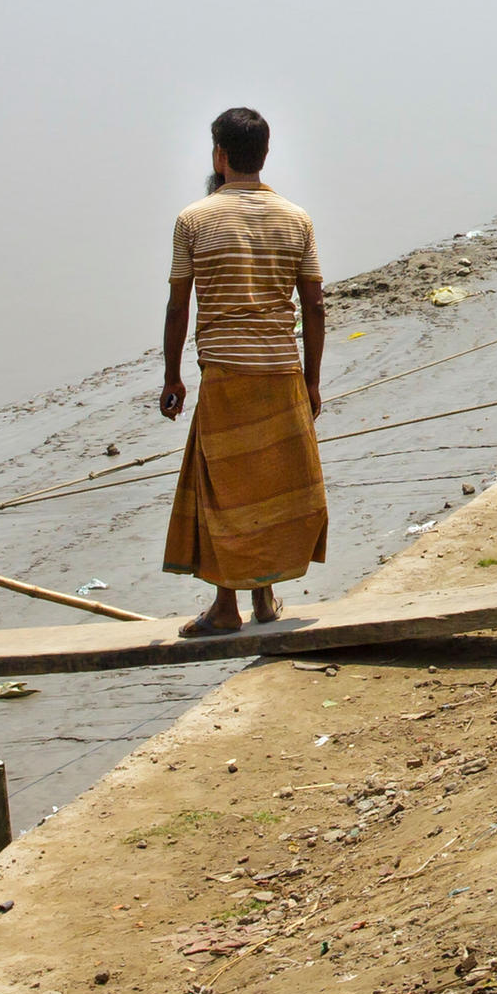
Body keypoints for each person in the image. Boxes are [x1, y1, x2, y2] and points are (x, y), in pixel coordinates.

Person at [160, 106, 327, 630]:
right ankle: (263, 599)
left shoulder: (194, 220)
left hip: (226, 373)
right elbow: (315, 305)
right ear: (265, 155)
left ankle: (228, 607)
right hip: (281, 370)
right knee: (270, 487)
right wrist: (313, 380)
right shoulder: (297, 219)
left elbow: (178, 305)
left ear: (220, 155)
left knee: (225, 491)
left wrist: (172, 375)